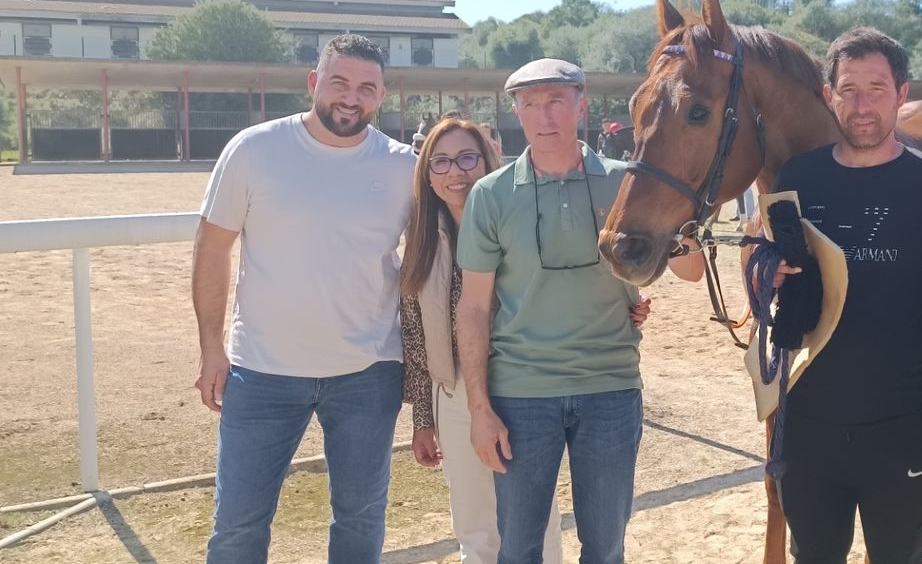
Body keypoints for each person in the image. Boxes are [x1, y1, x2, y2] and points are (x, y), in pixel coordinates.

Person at [454, 58, 700, 564]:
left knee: (606, 547)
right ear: (516, 111)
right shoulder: (491, 195)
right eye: (531, 104)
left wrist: (684, 216)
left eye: (557, 101)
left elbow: (692, 272)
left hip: (609, 388)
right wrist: (480, 411)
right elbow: (474, 308)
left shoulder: (625, 182)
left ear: (580, 105)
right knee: (518, 548)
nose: (545, 116)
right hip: (520, 395)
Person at [192, 34, 415, 564]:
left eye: (366, 87)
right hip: (262, 370)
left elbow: (443, 258)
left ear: (381, 96)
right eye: (339, 82)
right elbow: (212, 248)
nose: (351, 97)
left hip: (369, 371)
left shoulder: (404, 165)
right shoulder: (254, 148)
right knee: (238, 525)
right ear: (314, 82)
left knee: (361, 519)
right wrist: (210, 348)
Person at [400, 115, 660, 564]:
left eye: (466, 157)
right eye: (440, 162)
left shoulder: (513, 212)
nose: (455, 171)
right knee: (476, 525)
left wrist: (627, 304)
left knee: (534, 526)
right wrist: (424, 417)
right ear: (427, 172)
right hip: (459, 388)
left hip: (521, 382)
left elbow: (582, 284)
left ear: (487, 159)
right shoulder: (424, 237)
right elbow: (416, 333)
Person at [771, 28, 922, 563]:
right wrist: (766, 274)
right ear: (828, 95)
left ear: (902, 92)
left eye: (876, 89)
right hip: (809, 425)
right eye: (849, 89)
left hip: (905, 423)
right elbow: (770, 268)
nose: (862, 105)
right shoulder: (798, 178)